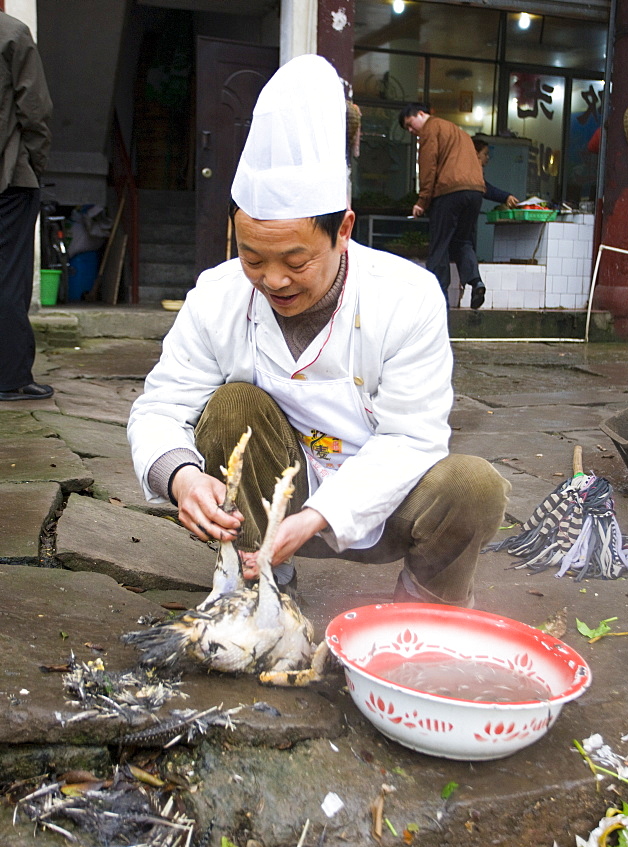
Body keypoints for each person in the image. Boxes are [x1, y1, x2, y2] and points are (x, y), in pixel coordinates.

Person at [128, 56, 509, 608]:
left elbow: (411, 438)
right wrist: (181, 478)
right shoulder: (218, 294)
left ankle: (425, 614)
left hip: (387, 504)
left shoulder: (407, 296)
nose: (272, 280)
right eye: (252, 256)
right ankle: (261, 590)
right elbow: (160, 406)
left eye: (294, 260)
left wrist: (318, 518)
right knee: (232, 407)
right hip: (275, 497)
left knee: (474, 487)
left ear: (343, 230)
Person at [0, 12, 53, 402]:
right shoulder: (11, 33)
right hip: (10, 176)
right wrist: (36, 164)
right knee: (9, 277)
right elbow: (34, 110)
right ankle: (11, 377)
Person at [398, 103, 487, 310]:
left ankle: (440, 299)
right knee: (463, 241)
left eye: (410, 125)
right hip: (475, 192)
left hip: (450, 192)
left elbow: (428, 166)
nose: (412, 131)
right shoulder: (460, 132)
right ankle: (475, 281)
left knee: (440, 244)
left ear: (421, 114)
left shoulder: (431, 129)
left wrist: (422, 201)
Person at [472, 138, 519, 210]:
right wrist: (506, 197)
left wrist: (506, 197)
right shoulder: (471, 172)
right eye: (485, 154)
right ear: (476, 154)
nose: (487, 157)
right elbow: (486, 189)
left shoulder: (473, 171)